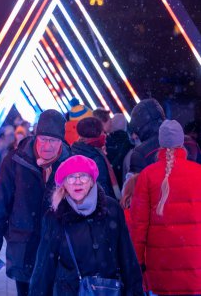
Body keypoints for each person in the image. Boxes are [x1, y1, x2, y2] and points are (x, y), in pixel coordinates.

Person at [0, 109, 71, 296]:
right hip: (24, 248)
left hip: (59, 251)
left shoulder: (71, 164)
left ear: (61, 140)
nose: (47, 146)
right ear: (35, 135)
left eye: (53, 141)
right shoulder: (15, 161)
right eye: (43, 139)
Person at [29, 155, 143, 296]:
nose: (78, 182)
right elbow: (44, 268)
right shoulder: (55, 217)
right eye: (71, 177)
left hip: (108, 291)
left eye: (83, 176)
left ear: (91, 181)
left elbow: (127, 258)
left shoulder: (111, 209)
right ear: (63, 183)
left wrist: (135, 291)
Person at [130, 120, 201, 295]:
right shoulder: (198, 172)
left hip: (160, 268)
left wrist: (137, 262)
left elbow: (138, 225)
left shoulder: (147, 176)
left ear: (160, 143)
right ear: (182, 142)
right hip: (196, 267)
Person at [71, 116, 119, 198]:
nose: (105, 135)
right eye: (102, 132)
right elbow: (103, 189)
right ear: (96, 134)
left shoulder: (76, 149)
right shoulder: (95, 157)